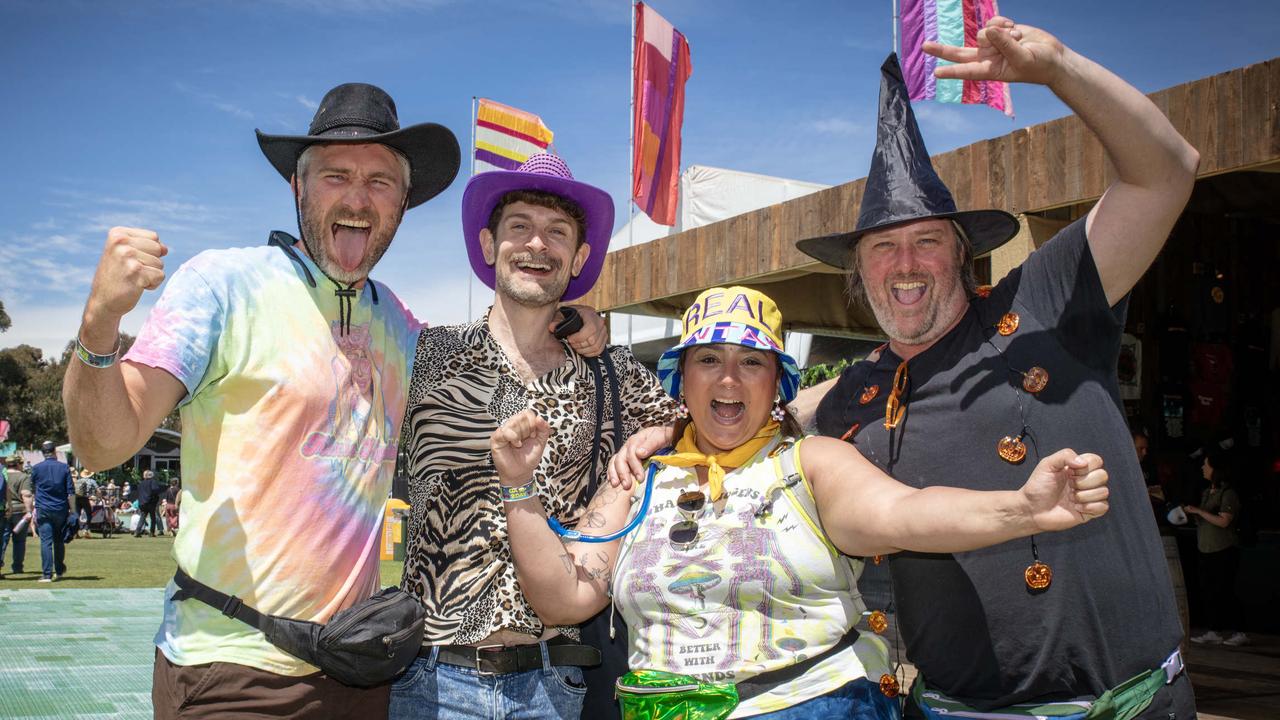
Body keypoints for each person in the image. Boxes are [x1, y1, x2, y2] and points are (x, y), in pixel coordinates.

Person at [789, 18, 1199, 718]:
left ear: (961, 253)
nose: (907, 263)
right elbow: (744, 422)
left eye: (927, 240)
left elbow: (1165, 174)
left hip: (1127, 707)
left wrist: (1060, 68)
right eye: (883, 248)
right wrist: (661, 427)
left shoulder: (1044, 303)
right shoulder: (843, 403)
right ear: (858, 273)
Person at [495, 286, 1111, 719]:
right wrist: (518, 491)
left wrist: (1021, 508)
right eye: (708, 360)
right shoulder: (637, 478)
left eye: (751, 362)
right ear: (681, 379)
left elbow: (903, 514)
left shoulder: (808, 464)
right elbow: (563, 597)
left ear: (777, 383)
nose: (728, 378)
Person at [61, 82, 478, 718]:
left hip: (359, 670)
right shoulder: (223, 287)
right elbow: (101, 445)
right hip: (230, 668)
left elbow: (495, 390)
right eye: (336, 175)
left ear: (403, 203)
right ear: (297, 188)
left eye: (381, 181)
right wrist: (98, 328)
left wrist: (572, 325)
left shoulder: (402, 326)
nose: (358, 198)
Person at [392, 153, 675, 720]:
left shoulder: (611, 374)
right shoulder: (421, 354)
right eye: (519, 226)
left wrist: (652, 437)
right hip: (431, 681)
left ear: (579, 257)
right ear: (489, 242)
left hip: (555, 683)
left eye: (557, 232)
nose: (537, 245)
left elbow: (697, 414)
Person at [1184, 448, 1248, 647]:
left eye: (1206, 464)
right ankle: (1214, 630)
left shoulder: (1227, 493)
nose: (1203, 467)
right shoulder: (1206, 492)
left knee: (1226, 590)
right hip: (1206, 547)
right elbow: (1205, 518)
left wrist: (1198, 511)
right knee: (1209, 591)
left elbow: (1223, 521)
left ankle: (1240, 631)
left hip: (1224, 548)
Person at [30, 440, 74, 582]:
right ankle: (59, 570)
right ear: (54, 451)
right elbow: (71, 492)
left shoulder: (37, 468)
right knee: (59, 540)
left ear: (43, 453)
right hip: (60, 508)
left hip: (43, 508)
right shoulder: (64, 468)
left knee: (46, 542)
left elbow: (32, 489)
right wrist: (73, 510)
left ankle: (47, 574)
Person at [1, 455, 34, 577]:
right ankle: (17, 567)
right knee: (19, 541)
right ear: (18, 464)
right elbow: (26, 494)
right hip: (19, 512)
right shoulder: (23, 477)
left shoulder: (2, 475)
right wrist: (29, 511)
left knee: (3, 540)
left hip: (4, 510)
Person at [133, 470, 163, 538]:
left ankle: (137, 532)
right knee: (153, 518)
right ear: (151, 476)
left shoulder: (141, 483)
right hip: (150, 503)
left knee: (142, 517)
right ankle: (152, 532)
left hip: (142, 503)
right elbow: (155, 490)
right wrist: (155, 497)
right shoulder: (153, 482)